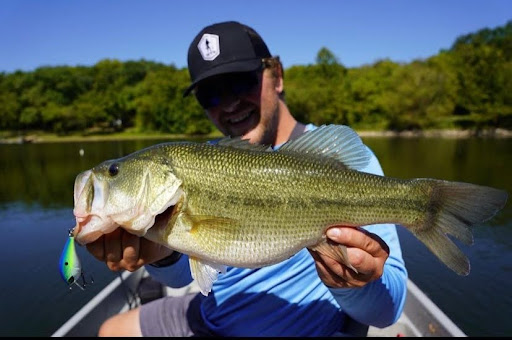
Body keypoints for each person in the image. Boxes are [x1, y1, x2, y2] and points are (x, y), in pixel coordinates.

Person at [87, 20, 408, 337]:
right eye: (210, 94)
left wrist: (355, 284)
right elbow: (186, 275)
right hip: (212, 315)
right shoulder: (205, 159)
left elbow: (386, 313)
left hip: (297, 326)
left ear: (277, 76)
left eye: (241, 82)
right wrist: (163, 253)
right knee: (111, 330)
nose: (229, 103)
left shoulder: (340, 167)